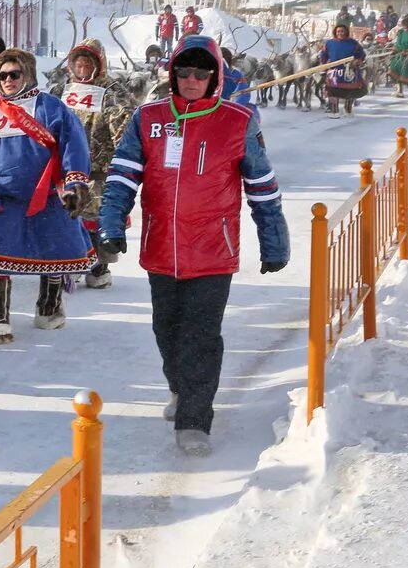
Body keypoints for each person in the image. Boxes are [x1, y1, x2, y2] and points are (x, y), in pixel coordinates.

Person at [99, 35, 288, 456]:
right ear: (173, 73)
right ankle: (181, 389)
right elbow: (122, 175)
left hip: (213, 251)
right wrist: (111, 223)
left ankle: (195, 420)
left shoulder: (237, 122)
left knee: (202, 335)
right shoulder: (148, 118)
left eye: (201, 72)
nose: (191, 79)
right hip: (162, 247)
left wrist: (273, 241)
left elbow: (262, 187)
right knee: (166, 330)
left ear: (214, 76)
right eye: (184, 71)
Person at [0, 49, 94, 343]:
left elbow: (74, 145)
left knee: (54, 253)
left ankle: (49, 307)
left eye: (14, 74)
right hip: (0, 200)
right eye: (2, 75)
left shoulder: (52, 108)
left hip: (47, 195)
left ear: (28, 74)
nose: (8, 80)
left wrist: (75, 183)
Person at [57, 39, 137, 289]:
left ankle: (99, 267)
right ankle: (72, 262)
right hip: (66, 169)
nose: (82, 67)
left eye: (87, 63)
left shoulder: (111, 91)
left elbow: (124, 125)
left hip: (99, 168)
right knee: (68, 218)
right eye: (78, 63)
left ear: (98, 64)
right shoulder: (63, 89)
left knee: (97, 219)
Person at [318, 25, 367, 115]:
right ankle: (334, 110)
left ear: (346, 32)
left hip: (349, 70)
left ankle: (347, 108)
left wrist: (358, 60)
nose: (340, 33)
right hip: (334, 70)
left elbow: (361, 54)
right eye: (338, 32)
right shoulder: (330, 43)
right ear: (335, 33)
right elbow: (323, 54)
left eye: (342, 31)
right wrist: (324, 63)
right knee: (332, 90)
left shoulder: (353, 43)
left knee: (350, 90)